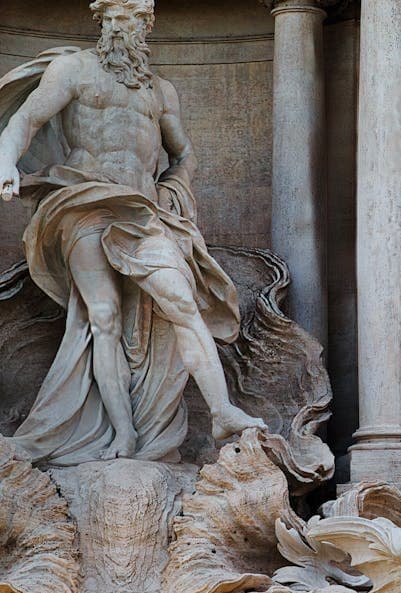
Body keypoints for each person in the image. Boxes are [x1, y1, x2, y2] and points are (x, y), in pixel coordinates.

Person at [0, 0, 265, 465]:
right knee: (102, 317)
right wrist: (4, 161)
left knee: (181, 299)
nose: (123, 27)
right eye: (115, 18)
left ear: (147, 25)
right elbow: (26, 119)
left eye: (133, 18)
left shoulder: (160, 92)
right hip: (83, 202)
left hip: (142, 212)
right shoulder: (74, 70)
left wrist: (173, 188)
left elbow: (183, 154)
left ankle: (223, 410)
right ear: (101, 22)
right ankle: (122, 433)